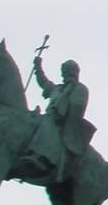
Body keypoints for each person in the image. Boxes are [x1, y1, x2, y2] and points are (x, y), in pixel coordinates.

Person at [29, 57, 93, 185]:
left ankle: (42, 158)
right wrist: (38, 67)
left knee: (47, 124)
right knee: (32, 121)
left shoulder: (80, 88)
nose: (67, 74)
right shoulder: (57, 89)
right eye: (65, 72)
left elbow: (79, 105)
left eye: (70, 71)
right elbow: (44, 82)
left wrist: (63, 112)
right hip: (50, 116)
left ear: (75, 73)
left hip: (65, 122)